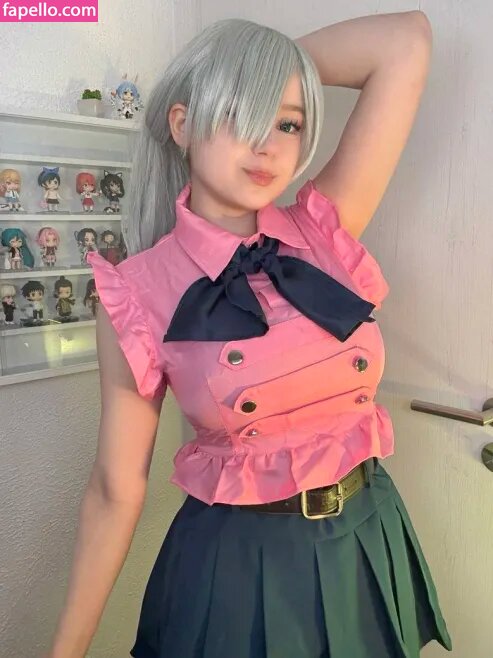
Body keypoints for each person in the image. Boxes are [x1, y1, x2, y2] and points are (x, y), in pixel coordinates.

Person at [46, 13, 453, 658]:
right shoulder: (136, 292)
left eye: (287, 122)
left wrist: (259, 67)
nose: (267, 143)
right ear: (183, 123)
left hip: (368, 532)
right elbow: (114, 489)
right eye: (241, 111)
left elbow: (405, 42)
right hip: (241, 569)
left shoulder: (322, 230)